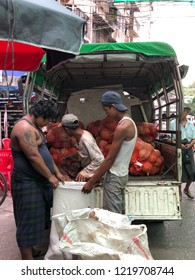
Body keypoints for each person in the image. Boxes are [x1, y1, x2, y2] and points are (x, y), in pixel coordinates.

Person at [10, 100, 65, 260]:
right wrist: (49, 176)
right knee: (27, 220)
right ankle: (27, 259)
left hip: (39, 181)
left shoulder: (36, 127)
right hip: (27, 182)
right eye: (47, 119)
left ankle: (32, 250)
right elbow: (33, 156)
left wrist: (57, 172)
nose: (48, 123)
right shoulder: (23, 128)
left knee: (38, 218)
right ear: (39, 114)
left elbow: (43, 152)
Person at [82, 91, 137, 214]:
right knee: (118, 213)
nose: (105, 113)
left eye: (106, 109)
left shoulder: (122, 127)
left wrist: (91, 181)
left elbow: (110, 159)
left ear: (113, 107)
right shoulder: (129, 121)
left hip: (114, 176)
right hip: (122, 174)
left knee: (112, 217)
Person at [61, 113, 104, 181]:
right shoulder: (79, 136)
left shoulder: (86, 139)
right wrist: (72, 156)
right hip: (86, 166)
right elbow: (84, 152)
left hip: (94, 173)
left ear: (67, 129)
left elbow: (99, 159)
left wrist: (85, 172)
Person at [170, 106, 195, 199]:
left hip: (189, 150)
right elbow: (170, 138)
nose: (185, 113)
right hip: (178, 149)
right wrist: (179, 144)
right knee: (179, 172)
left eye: (186, 111)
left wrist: (190, 144)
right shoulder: (173, 123)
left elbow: (194, 138)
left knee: (192, 171)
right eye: (184, 111)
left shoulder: (190, 125)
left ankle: (186, 189)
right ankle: (179, 191)